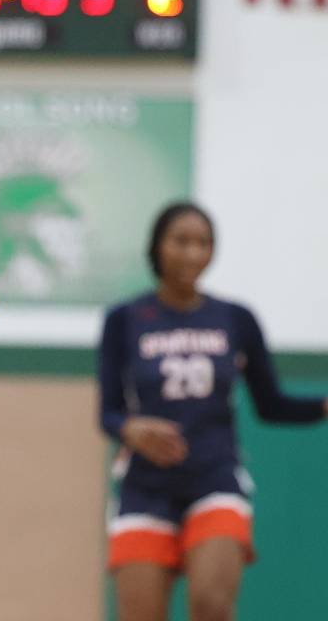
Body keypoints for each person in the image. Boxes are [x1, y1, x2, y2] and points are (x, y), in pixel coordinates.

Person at [98, 202, 328, 621]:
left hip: (214, 478)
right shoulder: (125, 319)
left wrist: (322, 406)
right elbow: (107, 413)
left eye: (203, 242)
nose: (192, 252)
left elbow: (271, 404)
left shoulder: (235, 319)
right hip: (145, 486)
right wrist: (130, 428)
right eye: (181, 241)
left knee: (211, 605)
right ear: (157, 247)